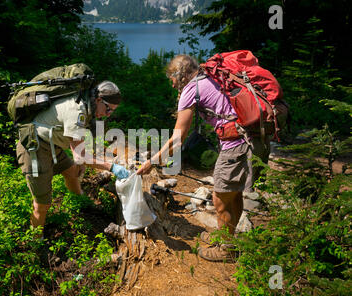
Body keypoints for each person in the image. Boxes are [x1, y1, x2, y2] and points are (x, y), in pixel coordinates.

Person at [136, 55, 269, 262]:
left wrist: (152, 161)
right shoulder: (212, 78)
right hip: (253, 139)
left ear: (180, 75)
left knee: (219, 198)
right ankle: (229, 237)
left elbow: (178, 137)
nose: (172, 84)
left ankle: (227, 250)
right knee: (233, 194)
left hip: (236, 145)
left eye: (172, 78)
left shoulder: (190, 90)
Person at [16, 80, 130, 234]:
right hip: (34, 148)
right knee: (42, 205)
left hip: (52, 144)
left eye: (112, 111)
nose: (108, 114)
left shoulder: (87, 106)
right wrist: (111, 167)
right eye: (108, 109)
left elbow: (80, 145)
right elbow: (80, 156)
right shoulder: (77, 111)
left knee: (72, 172)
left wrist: (82, 159)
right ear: (98, 100)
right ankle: (36, 243)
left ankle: (81, 204)